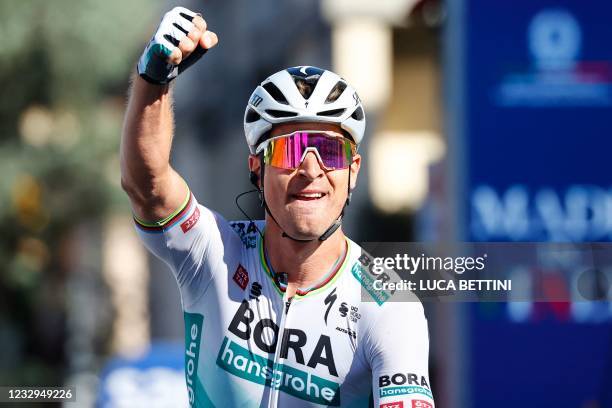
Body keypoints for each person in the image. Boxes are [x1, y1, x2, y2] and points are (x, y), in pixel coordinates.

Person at [121, 6, 435, 408]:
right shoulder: (214, 254)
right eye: (289, 150)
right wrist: (154, 77)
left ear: (353, 170)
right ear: (257, 167)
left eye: (329, 151)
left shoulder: (387, 306)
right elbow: (146, 184)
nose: (310, 170)